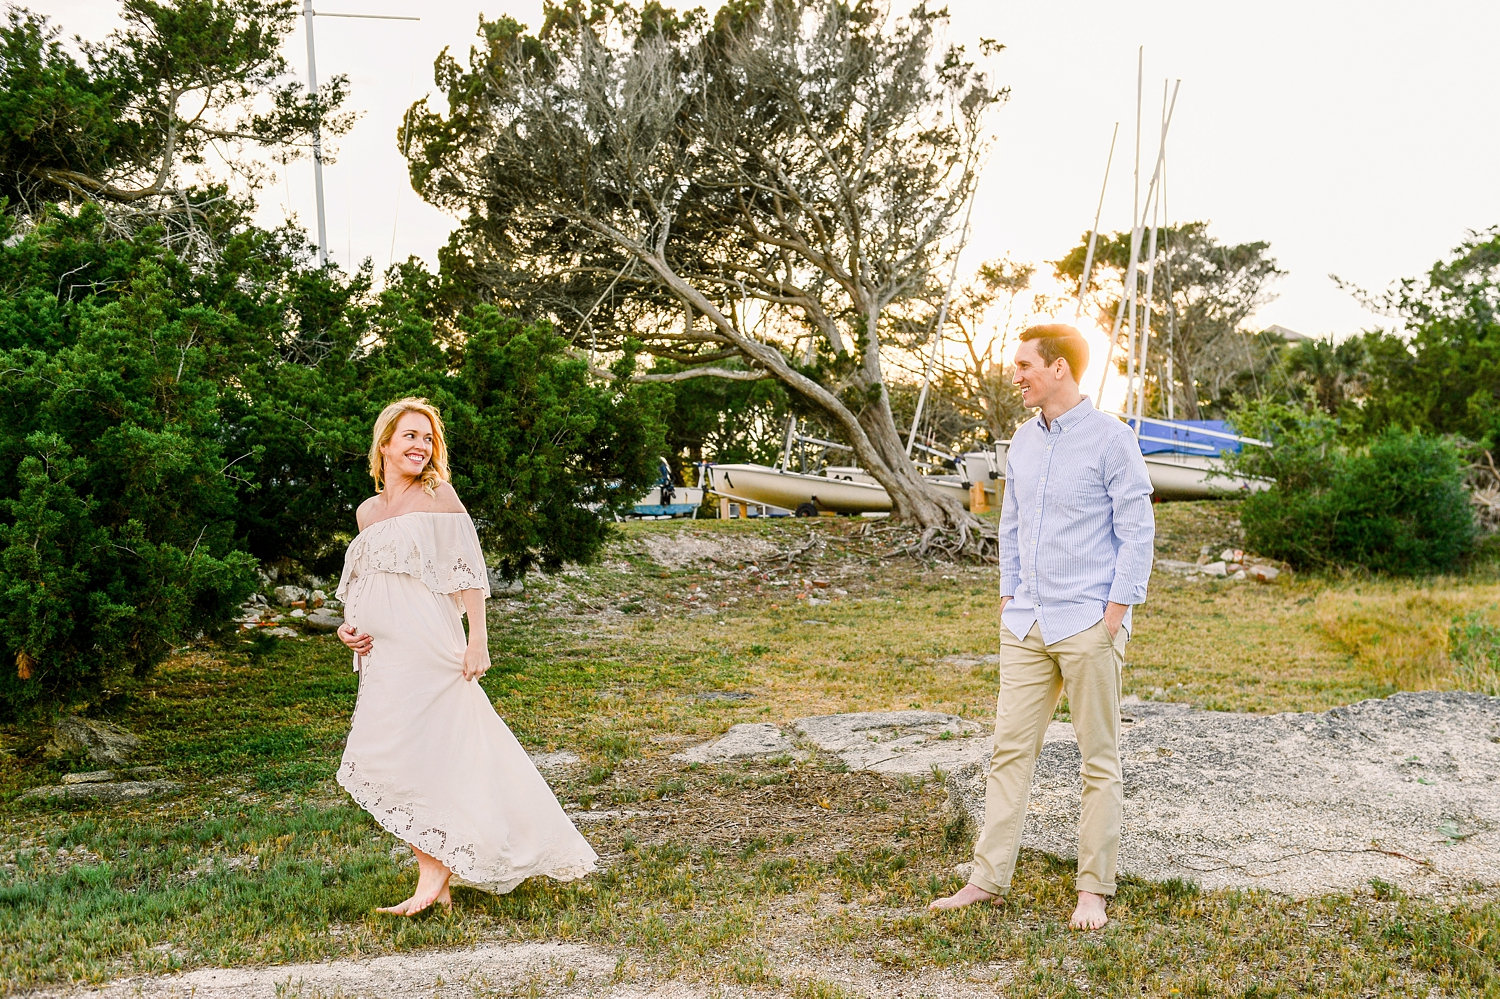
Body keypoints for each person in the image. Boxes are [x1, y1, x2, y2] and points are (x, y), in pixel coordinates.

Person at [929, 324, 1154, 930]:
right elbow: (1011, 523)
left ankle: (1093, 891)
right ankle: (986, 879)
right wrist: (1008, 594)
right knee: (1008, 752)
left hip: (1088, 621)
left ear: (1059, 368)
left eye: (1026, 364)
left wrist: (1116, 613)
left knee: (1097, 761)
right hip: (1026, 620)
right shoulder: (1022, 442)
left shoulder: (1112, 439)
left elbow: (1138, 530)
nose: (1018, 375)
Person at [335, 397, 597, 915]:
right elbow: (369, 582)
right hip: (382, 655)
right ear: (384, 444)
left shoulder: (438, 495)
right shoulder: (368, 511)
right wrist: (349, 628)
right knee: (398, 755)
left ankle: (434, 877)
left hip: (431, 646)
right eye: (410, 435)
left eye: (428, 438)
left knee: (440, 752)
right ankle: (437, 878)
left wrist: (478, 638)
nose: (420, 446)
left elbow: (468, 573)